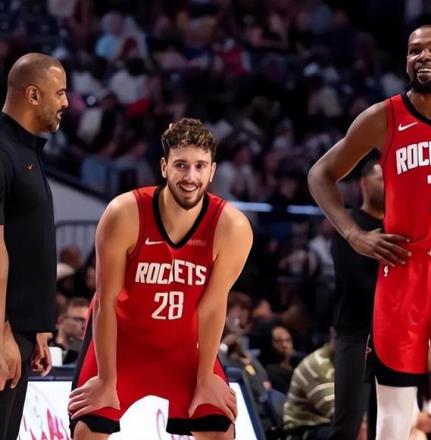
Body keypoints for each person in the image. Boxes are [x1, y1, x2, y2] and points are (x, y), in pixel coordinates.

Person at [308, 24, 431, 440]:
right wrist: (353, 234)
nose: (423, 56)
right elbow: (320, 174)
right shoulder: (383, 117)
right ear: (406, 62)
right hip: (402, 274)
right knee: (392, 421)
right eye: (415, 51)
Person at [68, 118, 253, 440]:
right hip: (122, 344)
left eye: (200, 166)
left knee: (219, 431)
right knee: (87, 432)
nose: (191, 177)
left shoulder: (232, 226)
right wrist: (106, 380)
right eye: (181, 165)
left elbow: (212, 307)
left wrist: (206, 377)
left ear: (212, 171)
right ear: (164, 166)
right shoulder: (124, 212)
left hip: (184, 347)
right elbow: (105, 302)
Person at [0, 53, 68, 440]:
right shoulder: (2, 150)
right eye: (60, 93)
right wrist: (1, 333)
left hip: (20, 332)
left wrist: (37, 328)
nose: (66, 102)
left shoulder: (26, 151)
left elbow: (28, 243)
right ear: (32, 95)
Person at [330, 159, 383, 440]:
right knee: (348, 424)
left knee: (387, 424)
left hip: (393, 335)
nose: (388, 186)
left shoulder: (400, 226)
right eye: (381, 179)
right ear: (363, 183)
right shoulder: (350, 225)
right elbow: (355, 280)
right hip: (357, 333)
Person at [282, 336, 335, 440]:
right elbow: (336, 413)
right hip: (305, 428)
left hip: (326, 424)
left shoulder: (348, 362)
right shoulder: (317, 364)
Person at [51, 297, 90, 364]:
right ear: (61, 320)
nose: (84, 326)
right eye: (79, 320)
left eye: (88, 321)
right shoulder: (43, 346)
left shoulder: (87, 352)